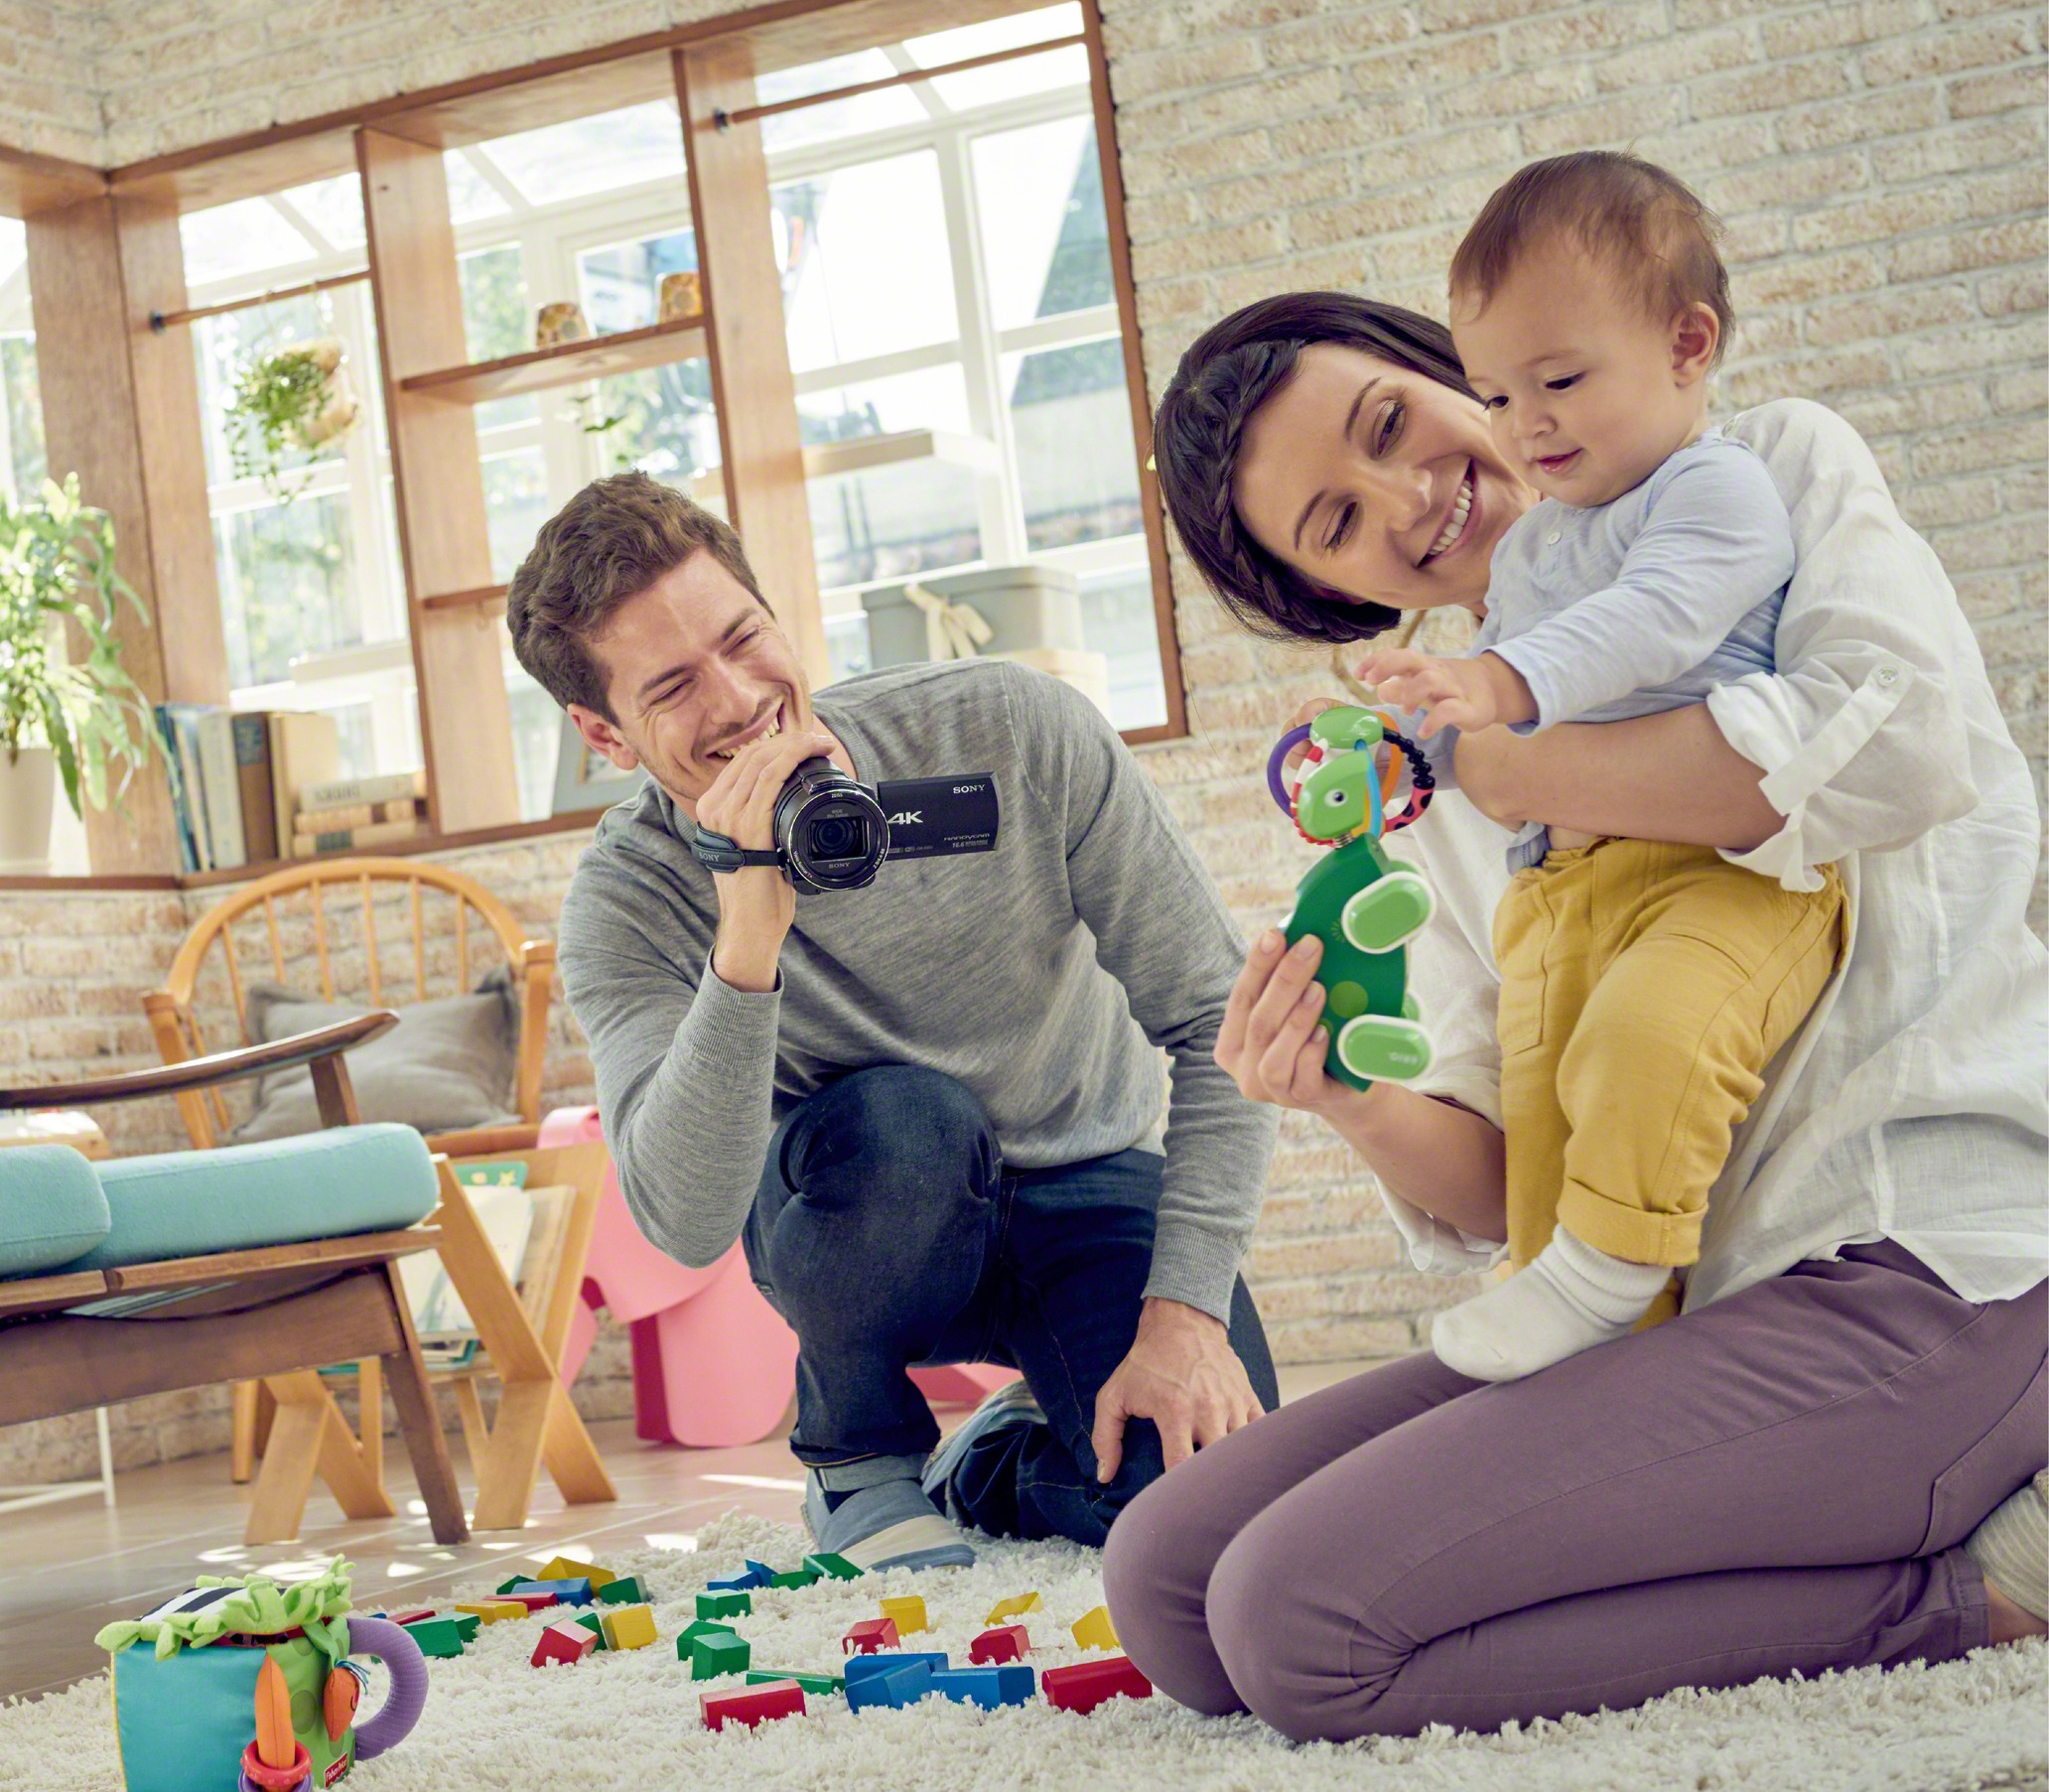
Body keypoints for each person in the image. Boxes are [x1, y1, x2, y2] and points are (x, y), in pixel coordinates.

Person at [1093, 287, 2048, 1740]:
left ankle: (1978, 1590)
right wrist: (1344, 1093)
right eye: (1339, 525)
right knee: (1171, 1576)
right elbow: (1503, 1182)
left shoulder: (1769, 476)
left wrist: (1511, 766)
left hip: (1929, 1262)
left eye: (1393, 424)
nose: (1411, 502)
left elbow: (1901, 748)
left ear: (1453, 374)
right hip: (1680, 1307)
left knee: (1303, 1624)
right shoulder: (1433, 773)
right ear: (1332, 595)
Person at [510, 473, 1277, 1572]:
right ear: (605, 733)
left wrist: (1186, 1316)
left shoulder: (1009, 728)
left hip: (1090, 1179)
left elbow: (1214, 1016)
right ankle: (858, 1453)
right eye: (673, 686)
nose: (736, 699)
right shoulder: (628, 895)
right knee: (908, 1120)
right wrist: (748, 933)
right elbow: (682, 1219)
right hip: (868, 1212)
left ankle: (994, 1462)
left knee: (1216, 1505)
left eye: (744, 638)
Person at [1358, 153, 1846, 1381]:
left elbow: (1660, 624)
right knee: (1555, 1094)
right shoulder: (1539, 558)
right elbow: (1491, 733)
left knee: (1652, 1034)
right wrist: (1416, 759)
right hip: (1564, 893)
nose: (1527, 426)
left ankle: (1607, 1271)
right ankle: (1572, 1321)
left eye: (1560, 381)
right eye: (1501, 393)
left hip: (1718, 872)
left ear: (1688, 345)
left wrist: (1503, 693)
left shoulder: (1722, 486)